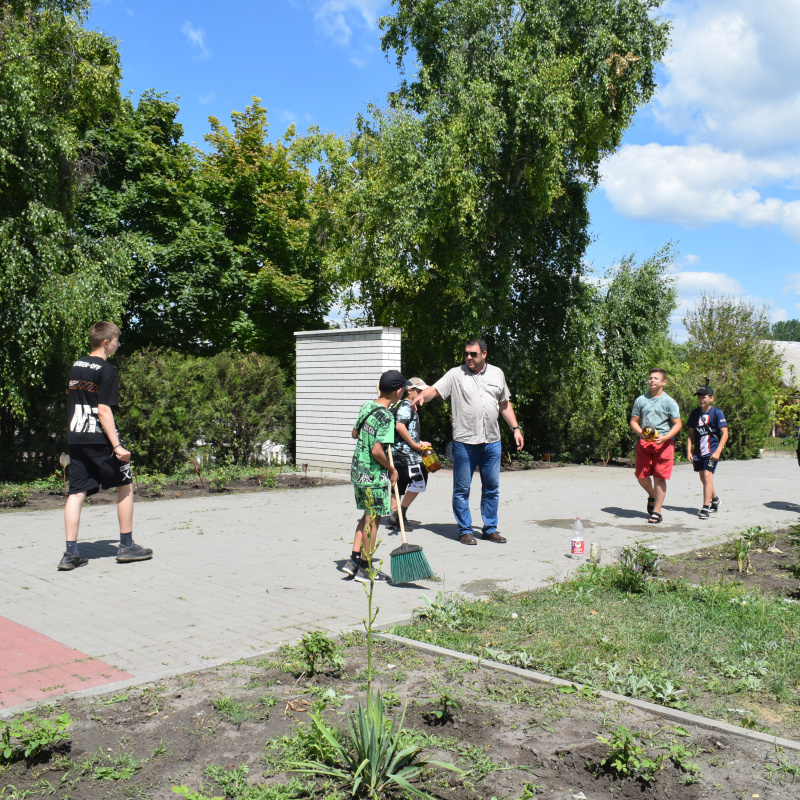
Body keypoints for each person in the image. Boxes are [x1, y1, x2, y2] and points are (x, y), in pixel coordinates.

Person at [59, 322, 153, 570]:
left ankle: (71, 554)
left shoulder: (76, 365)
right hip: (100, 439)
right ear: (106, 342)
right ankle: (127, 546)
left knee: (76, 493)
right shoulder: (106, 369)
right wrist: (118, 446)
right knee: (125, 485)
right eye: (117, 340)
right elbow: (103, 410)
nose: (118, 344)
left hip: (76, 437)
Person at [412, 338, 523, 545]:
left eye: (473, 354)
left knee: (492, 487)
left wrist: (516, 429)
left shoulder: (497, 373)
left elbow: (504, 404)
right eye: (466, 354)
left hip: (492, 442)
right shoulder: (456, 374)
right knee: (462, 489)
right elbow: (434, 390)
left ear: (484, 354)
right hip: (465, 442)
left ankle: (490, 529)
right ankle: (465, 530)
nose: (469, 357)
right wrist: (421, 397)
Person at [342, 369, 408, 582]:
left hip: (358, 471)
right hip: (373, 474)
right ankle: (366, 568)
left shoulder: (367, 406)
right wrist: (391, 469)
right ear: (399, 391)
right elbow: (377, 451)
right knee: (374, 520)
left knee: (366, 515)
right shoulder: (387, 417)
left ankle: (353, 560)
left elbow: (354, 434)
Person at [629, 368, 682, 524]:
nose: (652, 380)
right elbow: (634, 421)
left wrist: (665, 437)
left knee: (659, 477)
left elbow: (678, 424)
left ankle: (657, 511)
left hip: (664, 444)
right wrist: (642, 433)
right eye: (650, 378)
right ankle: (652, 495)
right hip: (645, 443)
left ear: (663, 382)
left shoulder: (669, 402)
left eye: (656, 378)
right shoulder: (640, 400)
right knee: (641, 475)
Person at [386, 377, 432, 531]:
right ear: (409, 390)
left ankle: (394, 514)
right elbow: (400, 426)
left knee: (399, 483)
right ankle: (400, 513)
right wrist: (414, 445)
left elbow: (404, 430)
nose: (421, 393)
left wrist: (418, 441)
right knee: (420, 479)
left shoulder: (399, 405)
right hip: (406, 454)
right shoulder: (406, 405)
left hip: (397, 452)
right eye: (419, 390)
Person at [686, 386, 729, 519]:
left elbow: (725, 433)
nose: (701, 399)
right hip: (699, 452)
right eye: (699, 397)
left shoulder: (717, 413)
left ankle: (705, 508)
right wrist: (688, 450)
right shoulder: (694, 414)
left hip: (712, 451)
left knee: (707, 476)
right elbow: (691, 434)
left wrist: (718, 451)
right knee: (704, 479)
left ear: (711, 398)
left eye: (704, 397)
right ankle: (715, 498)